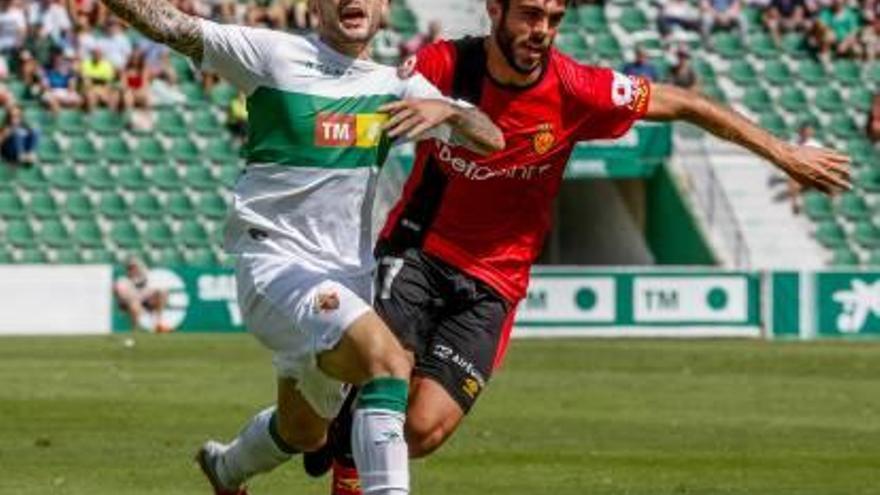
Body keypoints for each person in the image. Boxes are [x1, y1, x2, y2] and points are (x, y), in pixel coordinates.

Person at [309, 0, 851, 493]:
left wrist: (783, 153)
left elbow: (684, 102)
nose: (540, 30)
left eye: (553, 18)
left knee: (422, 430)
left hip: (495, 282)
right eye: (528, 15)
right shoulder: (443, 64)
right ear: (494, 11)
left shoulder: (577, 89)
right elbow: (370, 110)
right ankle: (340, 435)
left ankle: (330, 424)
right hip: (419, 251)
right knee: (386, 383)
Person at [91, 1, 503, 495]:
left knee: (304, 431)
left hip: (347, 282)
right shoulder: (272, 55)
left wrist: (451, 111)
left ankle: (224, 470)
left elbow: (491, 139)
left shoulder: (396, 85)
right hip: (275, 267)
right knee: (390, 364)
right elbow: (170, 25)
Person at [113, 257, 170, 333]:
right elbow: (123, 298)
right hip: (132, 304)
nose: (133, 270)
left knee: (162, 293)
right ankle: (136, 329)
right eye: (131, 268)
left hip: (145, 302)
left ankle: (159, 323)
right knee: (134, 304)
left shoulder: (145, 277)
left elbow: (152, 291)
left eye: (135, 268)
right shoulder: (123, 281)